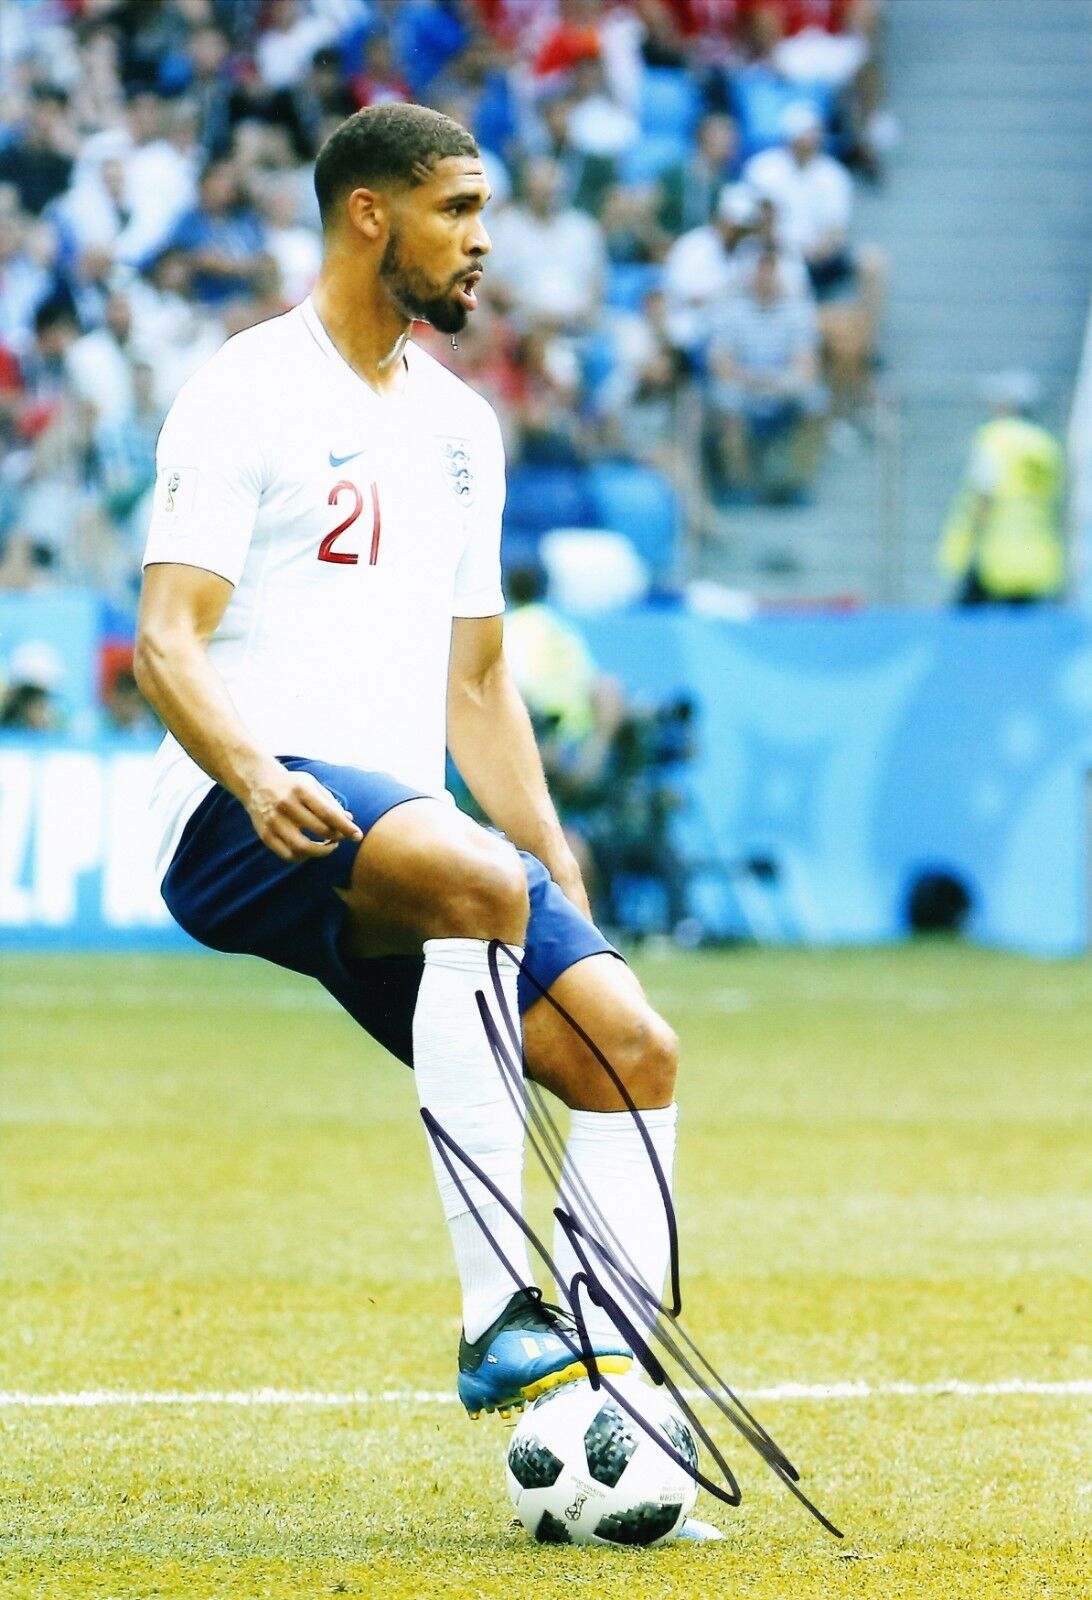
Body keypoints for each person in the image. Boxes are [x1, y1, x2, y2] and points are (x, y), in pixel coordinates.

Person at [134, 106, 698, 1514]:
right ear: (369, 214)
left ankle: (616, 1422)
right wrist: (253, 773)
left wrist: (557, 867)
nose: (485, 240)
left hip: (414, 852)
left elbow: (482, 680)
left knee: (633, 1047)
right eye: (457, 208)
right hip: (239, 815)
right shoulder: (246, 390)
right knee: (474, 882)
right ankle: (502, 1309)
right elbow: (166, 640)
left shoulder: (460, 426)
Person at [938, 371, 1065, 606]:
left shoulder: (995, 439)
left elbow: (984, 493)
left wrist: (969, 546)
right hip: (1037, 554)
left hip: (995, 555)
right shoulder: (1046, 445)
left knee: (965, 625)